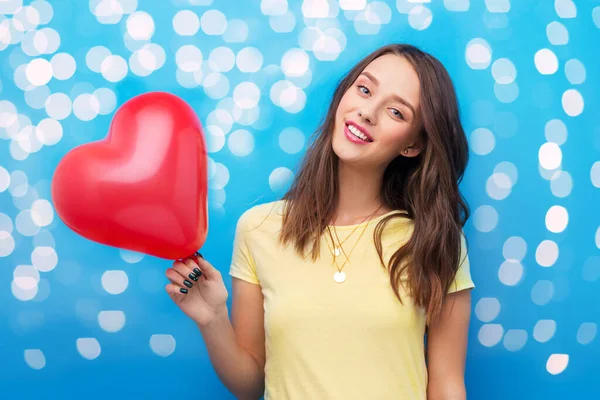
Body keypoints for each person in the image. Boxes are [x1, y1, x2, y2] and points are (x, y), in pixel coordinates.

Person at [165, 43, 475, 400]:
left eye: (395, 111)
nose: (367, 112)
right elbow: (252, 386)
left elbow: (447, 382)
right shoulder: (259, 228)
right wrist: (214, 318)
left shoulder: (434, 241)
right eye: (364, 89)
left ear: (413, 145)